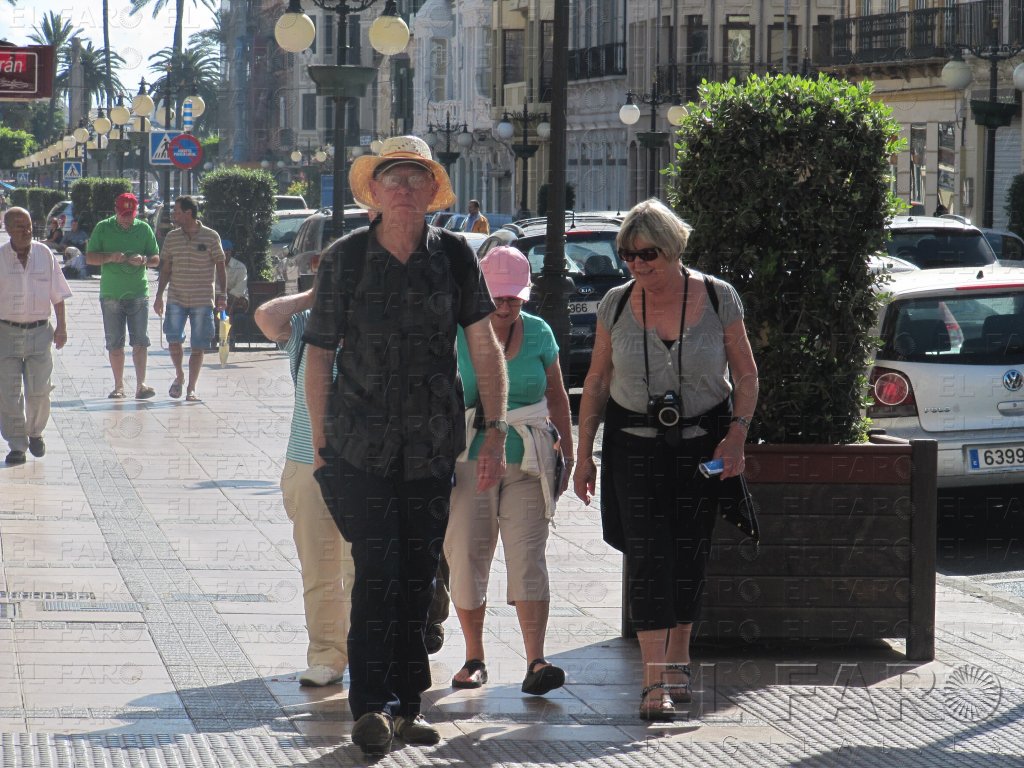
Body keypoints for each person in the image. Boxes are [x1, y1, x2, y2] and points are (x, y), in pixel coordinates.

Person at [303, 135, 508, 755]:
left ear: (430, 191)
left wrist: (494, 430)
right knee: (377, 571)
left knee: (419, 576)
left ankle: (408, 704)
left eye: (415, 178)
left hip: (431, 445)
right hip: (358, 447)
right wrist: (320, 441)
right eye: (392, 177)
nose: (403, 188)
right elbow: (319, 354)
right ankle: (372, 705)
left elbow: (483, 346)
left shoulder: (454, 257)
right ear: (374, 190)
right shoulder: (345, 258)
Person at [572, 198, 758, 722]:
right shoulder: (614, 304)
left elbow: (746, 374)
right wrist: (583, 454)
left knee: (689, 552)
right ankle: (654, 682)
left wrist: (737, 436)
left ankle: (680, 657)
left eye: (648, 254)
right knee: (648, 556)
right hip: (634, 447)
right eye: (628, 255)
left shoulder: (718, 297)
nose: (637, 264)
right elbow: (597, 381)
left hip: (703, 447)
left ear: (673, 249)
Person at [445, 245, 573, 696]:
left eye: (514, 297)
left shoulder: (538, 332)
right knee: (466, 555)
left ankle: (536, 660)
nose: (505, 305)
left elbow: (557, 395)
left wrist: (570, 454)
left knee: (528, 558)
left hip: (529, 462)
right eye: (498, 296)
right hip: (468, 460)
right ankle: (473, 657)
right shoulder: (457, 332)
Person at [254, 253, 352, 689]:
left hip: (365, 463)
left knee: (364, 569)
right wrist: (313, 295)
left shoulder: (376, 325)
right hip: (306, 461)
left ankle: (367, 652)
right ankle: (327, 656)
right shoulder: (309, 321)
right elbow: (265, 316)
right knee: (319, 568)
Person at [0, 207, 71, 465]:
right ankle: (17, 445)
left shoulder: (44, 254)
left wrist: (62, 327)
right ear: (8, 229)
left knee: (39, 390)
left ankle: (35, 432)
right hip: (6, 333)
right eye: (20, 226)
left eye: (29, 225)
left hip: (40, 332)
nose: (27, 230)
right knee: (8, 394)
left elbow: (58, 294)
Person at [87, 193, 160, 399]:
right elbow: (90, 258)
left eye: (130, 214)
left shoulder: (144, 229)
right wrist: (110, 257)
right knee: (115, 342)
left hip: (138, 293)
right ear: (115, 211)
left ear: (136, 212)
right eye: (123, 214)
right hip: (111, 293)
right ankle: (118, 386)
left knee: (140, 341)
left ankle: (141, 384)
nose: (126, 219)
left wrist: (144, 259)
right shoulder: (103, 228)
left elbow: (156, 258)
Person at [153, 195, 226, 402]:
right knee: (173, 339)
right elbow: (166, 269)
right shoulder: (172, 237)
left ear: (188, 213)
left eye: (177, 212)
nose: (173, 215)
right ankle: (179, 375)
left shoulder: (211, 236)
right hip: (176, 296)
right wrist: (159, 296)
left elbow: (220, 265)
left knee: (198, 345)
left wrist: (223, 295)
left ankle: (191, 388)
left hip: (202, 298)